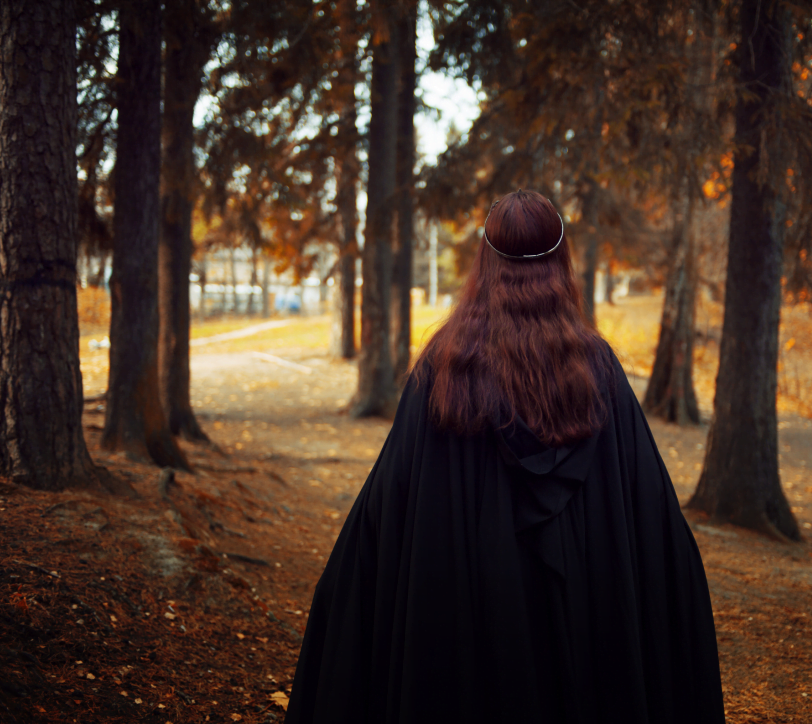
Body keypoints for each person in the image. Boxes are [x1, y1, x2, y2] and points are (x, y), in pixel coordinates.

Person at [285, 190, 725, 723]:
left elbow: (389, 507)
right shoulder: (598, 372)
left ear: (485, 262)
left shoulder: (444, 370)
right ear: (561, 262)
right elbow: (650, 518)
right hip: (578, 631)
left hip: (468, 628)